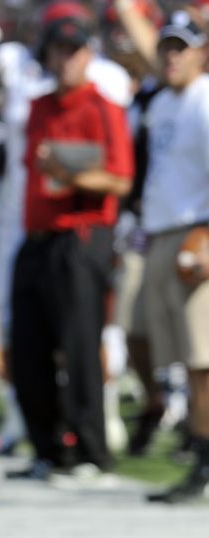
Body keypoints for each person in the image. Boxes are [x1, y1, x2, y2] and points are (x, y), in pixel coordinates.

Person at [6, 2, 133, 480]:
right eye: (60, 49)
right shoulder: (39, 106)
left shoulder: (103, 106)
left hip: (82, 236)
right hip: (37, 237)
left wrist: (71, 172)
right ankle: (47, 449)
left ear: (87, 54)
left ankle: (91, 451)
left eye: (75, 49)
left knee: (80, 346)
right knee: (28, 347)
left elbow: (120, 180)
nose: (68, 58)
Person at [141, 10, 209, 503]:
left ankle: (203, 465)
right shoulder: (161, 103)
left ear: (200, 52)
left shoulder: (205, 99)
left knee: (202, 361)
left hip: (194, 233)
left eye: (182, 46)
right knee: (184, 362)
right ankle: (196, 451)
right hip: (162, 233)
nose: (173, 55)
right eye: (167, 46)